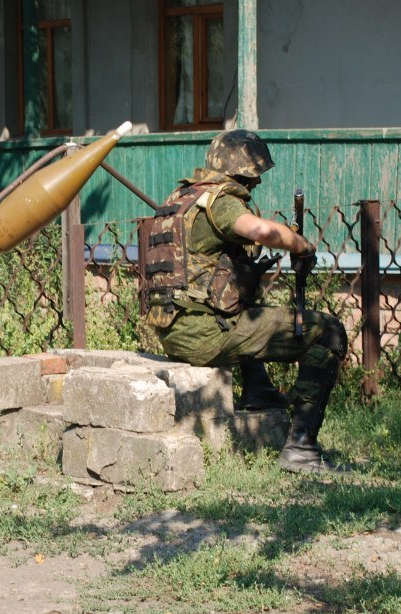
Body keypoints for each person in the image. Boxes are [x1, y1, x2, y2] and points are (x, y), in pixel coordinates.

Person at [143, 129, 349, 473]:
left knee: (251, 308)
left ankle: (260, 391)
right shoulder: (220, 201)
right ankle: (302, 448)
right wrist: (301, 246)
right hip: (206, 334)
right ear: (243, 172)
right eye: (255, 177)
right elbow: (262, 231)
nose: (256, 186)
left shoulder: (181, 198)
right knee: (328, 332)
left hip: (176, 331)